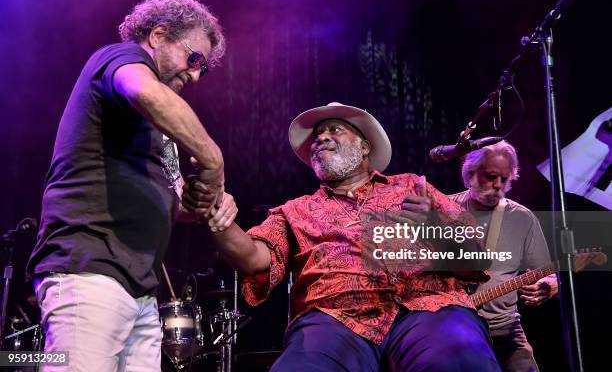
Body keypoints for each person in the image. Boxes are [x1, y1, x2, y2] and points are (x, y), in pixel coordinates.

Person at [184, 102, 501, 371]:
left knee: (462, 357)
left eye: (334, 130)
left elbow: (476, 260)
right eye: (317, 136)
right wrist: (215, 212)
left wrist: (435, 226)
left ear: (365, 147)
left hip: (429, 308)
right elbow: (253, 258)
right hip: (334, 318)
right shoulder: (295, 211)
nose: (321, 137)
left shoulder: (412, 187)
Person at [26, 0, 226, 371]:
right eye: (195, 58)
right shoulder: (121, 58)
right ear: (159, 35)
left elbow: (175, 201)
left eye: (205, 68)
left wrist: (203, 200)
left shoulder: (154, 126)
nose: (197, 74)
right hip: (90, 269)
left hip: (138, 289)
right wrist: (214, 159)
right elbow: (144, 90)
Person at [449, 140, 558, 372]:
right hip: (453, 327)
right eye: (490, 176)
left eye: (504, 179)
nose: (498, 185)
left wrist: (549, 285)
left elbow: (548, 273)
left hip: (505, 329)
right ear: (470, 174)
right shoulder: (444, 210)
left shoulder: (523, 218)